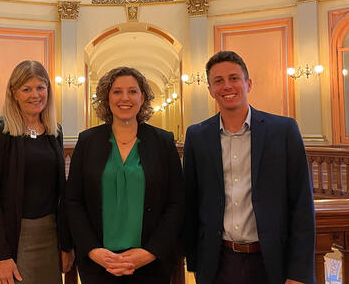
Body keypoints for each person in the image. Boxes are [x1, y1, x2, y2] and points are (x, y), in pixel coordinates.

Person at [183, 51, 315, 284]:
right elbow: (192, 202)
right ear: (210, 90)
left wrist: (298, 273)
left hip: (271, 261)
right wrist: (196, 265)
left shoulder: (283, 131)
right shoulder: (197, 136)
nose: (227, 86)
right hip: (217, 263)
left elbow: (302, 204)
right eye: (218, 81)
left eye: (234, 78)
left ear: (248, 83)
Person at [65, 66, 185, 284]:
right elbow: (73, 201)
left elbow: (176, 203)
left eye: (132, 91)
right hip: (99, 263)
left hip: (150, 263)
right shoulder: (87, 141)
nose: (125, 98)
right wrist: (92, 250)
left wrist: (150, 251)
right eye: (117, 91)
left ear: (143, 97)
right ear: (106, 98)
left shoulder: (163, 142)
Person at [0, 60, 73, 284]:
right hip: (12, 238)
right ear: (13, 93)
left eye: (40, 87)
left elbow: (61, 193)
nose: (34, 95)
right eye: (26, 89)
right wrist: (0, 256)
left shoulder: (54, 130)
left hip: (49, 235)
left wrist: (66, 244)